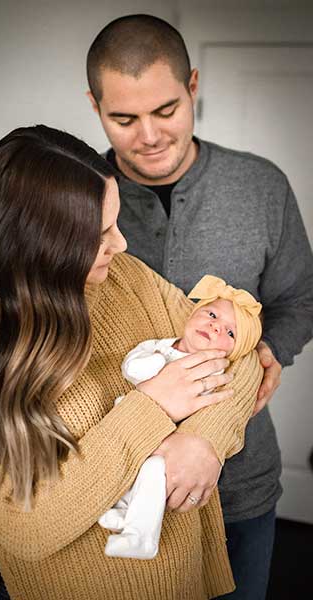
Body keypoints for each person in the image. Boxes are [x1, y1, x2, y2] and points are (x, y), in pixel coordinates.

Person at [0, 125, 263, 600]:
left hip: (180, 579)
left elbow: (239, 354)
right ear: (40, 246)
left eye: (115, 223)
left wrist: (204, 440)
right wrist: (154, 406)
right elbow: (28, 526)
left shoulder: (124, 276)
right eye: (100, 235)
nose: (120, 244)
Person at [85, 14, 313, 599]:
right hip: (104, 494)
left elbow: (300, 296)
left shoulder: (261, 186)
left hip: (238, 489)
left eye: (165, 110)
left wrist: (265, 350)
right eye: (124, 119)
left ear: (192, 85)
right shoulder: (74, 195)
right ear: (94, 106)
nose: (149, 136)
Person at [99, 275, 262, 560]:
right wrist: (153, 367)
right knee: (124, 465)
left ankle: (141, 538)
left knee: (152, 472)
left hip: (165, 437)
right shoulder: (159, 346)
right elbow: (132, 367)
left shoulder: (212, 370)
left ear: (233, 352)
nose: (215, 325)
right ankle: (125, 511)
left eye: (230, 332)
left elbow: (216, 404)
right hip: (132, 421)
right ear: (192, 313)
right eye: (211, 314)